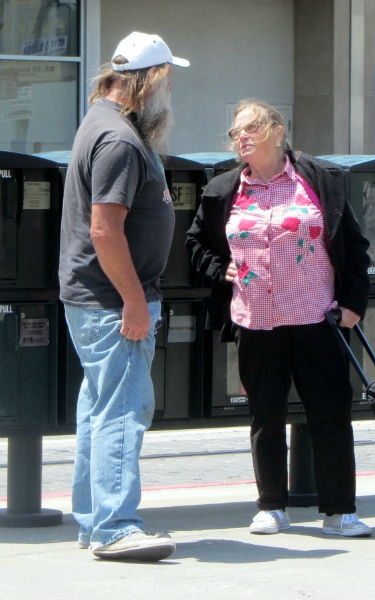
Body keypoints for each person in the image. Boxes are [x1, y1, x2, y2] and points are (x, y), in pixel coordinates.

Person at [186, 99, 373, 537]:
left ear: (276, 130)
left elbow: (355, 247)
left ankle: (340, 511)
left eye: (250, 128)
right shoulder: (223, 189)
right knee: (264, 416)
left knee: (330, 412)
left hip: (317, 316)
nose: (241, 138)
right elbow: (195, 244)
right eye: (235, 132)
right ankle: (271, 506)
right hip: (255, 318)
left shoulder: (320, 180)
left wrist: (352, 304)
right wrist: (220, 268)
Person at [59, 32, 189, 561]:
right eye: (167, 77)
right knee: (121, 411)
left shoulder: (103, 123)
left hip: (97, 298)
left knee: (99, 408)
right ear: (150, 79)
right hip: (113, 302)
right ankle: (115, 525)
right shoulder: (118, 139)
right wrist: (134, 301)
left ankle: (95, 522)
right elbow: (106, 230)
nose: (169, 89)